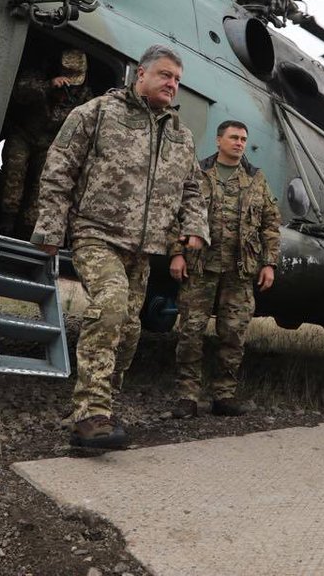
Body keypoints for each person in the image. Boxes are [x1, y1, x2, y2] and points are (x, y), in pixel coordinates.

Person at [31, 44, 208, 449]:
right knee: (109, 310)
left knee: (129, 331)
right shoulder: (96, 113)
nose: (172, 84)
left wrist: (194, 227)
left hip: (143, 249)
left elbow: (193, 188)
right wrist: (51, 228)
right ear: (140, 75)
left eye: (177, 80)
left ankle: (102, 407)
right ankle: (89, 416)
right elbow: (59, 169)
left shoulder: (180, 135)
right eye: (165, 75)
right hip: (97, 234)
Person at [169, 120, 281, 419]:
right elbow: (177, 216)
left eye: (244, 138)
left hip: (239, 270)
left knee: (233, 335)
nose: (240, 143)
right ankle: (187, 396)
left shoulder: (256, 179)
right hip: (200, 267)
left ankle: (224, 395)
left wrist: (269, 263)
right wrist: (176, 254)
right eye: (234, 137)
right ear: (219, 141)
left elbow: (271, 223)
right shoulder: (198, 173)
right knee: (190, 332)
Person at [0, 46, 91, 238]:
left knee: (42, 186)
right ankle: (6, 220)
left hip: (50, 143)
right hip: (24, 134)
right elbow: (19, 92)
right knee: (14, 173)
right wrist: (48, 86)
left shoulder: (83, 95)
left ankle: (27, 230)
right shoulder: (38, 75)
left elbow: (88, 122)